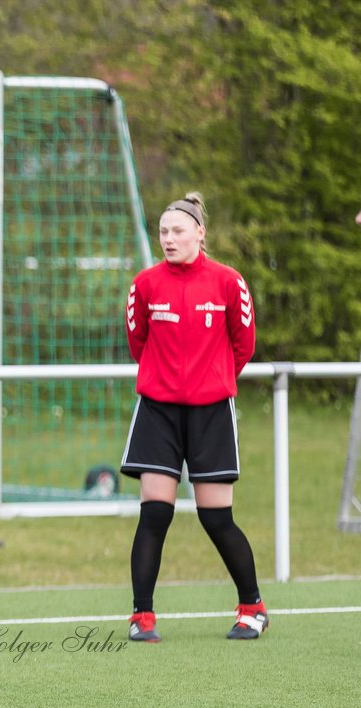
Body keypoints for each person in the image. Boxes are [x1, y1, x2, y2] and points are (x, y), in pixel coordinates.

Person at [120, 192, 266, 642]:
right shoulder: (144, 284)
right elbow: (137, 342)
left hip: (211, 414)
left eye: (178, 230)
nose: (169, 239)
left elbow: (244, 345)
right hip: (158, 413)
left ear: (200, 233)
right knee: (154, 514)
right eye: (163, 231)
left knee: (216, 518)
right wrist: (166, 381)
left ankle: (252, 609)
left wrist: (211, 378)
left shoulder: (228, 283)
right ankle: (142, 617)